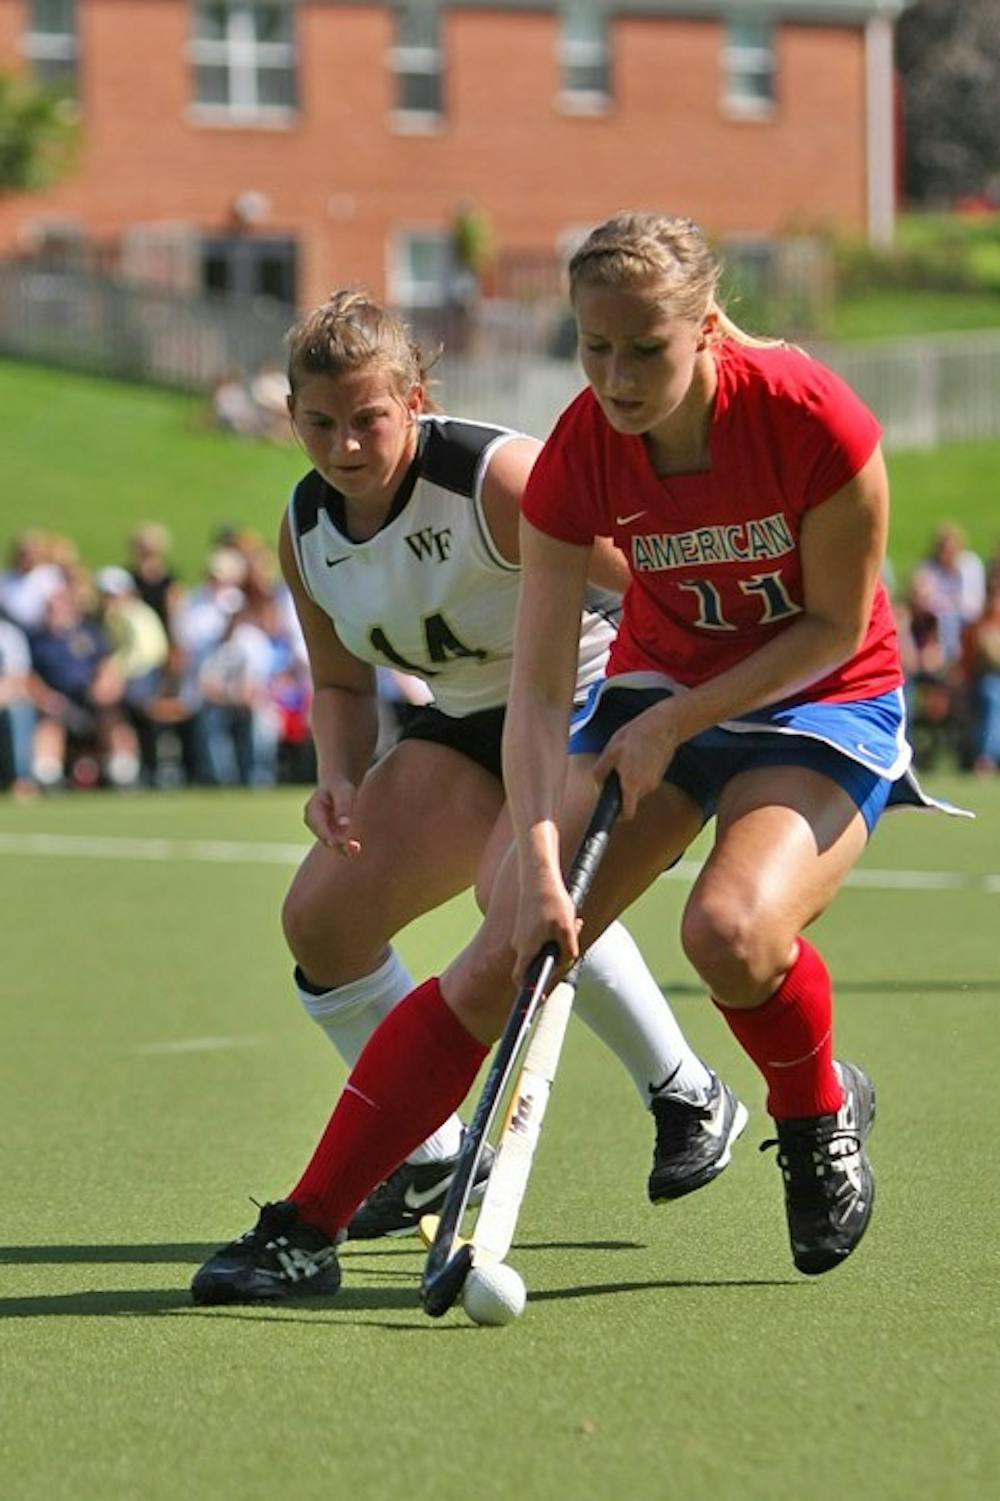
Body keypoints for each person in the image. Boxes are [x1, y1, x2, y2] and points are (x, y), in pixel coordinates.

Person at [191, 215, 974, 1308]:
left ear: (706, 331)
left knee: (730, 932)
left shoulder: (810, 419)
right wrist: (544, 854)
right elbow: (541, 691)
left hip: (819, 699)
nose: (614, 377)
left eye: (644, 349)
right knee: (503, 941)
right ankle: (305, 1226)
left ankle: (813, 1113)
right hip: (650, 693)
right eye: (592, 348)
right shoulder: (575, 458)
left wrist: (674, 719)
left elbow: (835, 624)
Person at [191, 285, 747, 1300]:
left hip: (587, 697)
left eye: (369, 417)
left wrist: (676, 712)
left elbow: (654, 581)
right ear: (290, 414)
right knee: (320, 920)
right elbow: (339, 681)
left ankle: (688, 1095)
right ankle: (434, 1148)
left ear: (414, 396)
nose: (347, 444)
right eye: (320, 422)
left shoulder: (497, 476)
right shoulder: (305, 524)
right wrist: (337, 775)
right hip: (465, 719)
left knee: (512, 890)